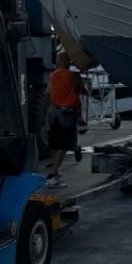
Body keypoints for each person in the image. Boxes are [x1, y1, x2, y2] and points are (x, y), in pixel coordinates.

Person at [44, 51, 87, 186]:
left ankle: (54, 172)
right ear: (69, 61)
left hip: (55, 112)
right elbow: (83, 91)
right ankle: (52, 174)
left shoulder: (53, 76)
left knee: (56, 144)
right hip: (68, 113)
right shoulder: (73, 76)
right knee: (63, 146)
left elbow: (47, 95)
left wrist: (43, 114)